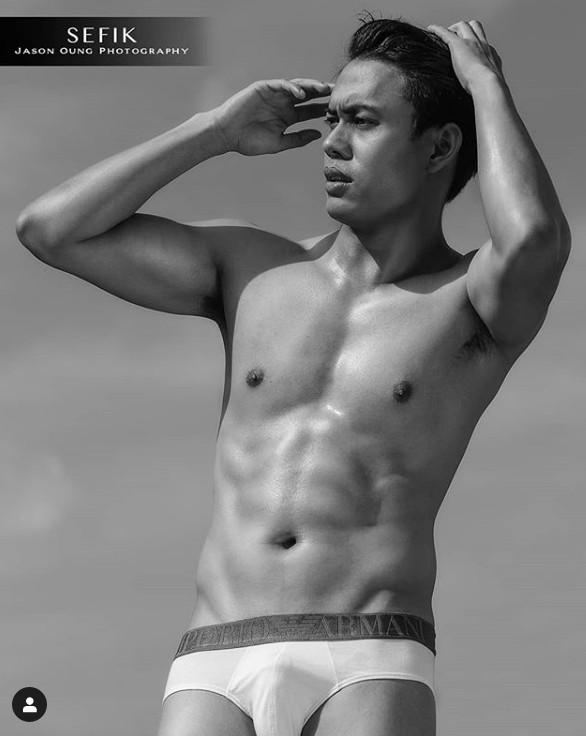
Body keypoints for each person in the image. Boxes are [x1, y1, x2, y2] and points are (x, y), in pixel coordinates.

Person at [15, 14, 571, 736]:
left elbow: (533, 238)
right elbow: (51, 229)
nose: (333, 143)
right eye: (332, 118)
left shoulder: (469, 301)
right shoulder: (252, 269)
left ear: (440, 146)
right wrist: (215, 130)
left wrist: (485, 82)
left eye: (362, 121)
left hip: (368, 653)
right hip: (215, 651)